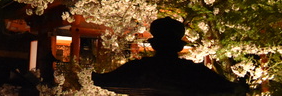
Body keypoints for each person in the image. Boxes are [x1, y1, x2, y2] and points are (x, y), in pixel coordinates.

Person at [92, 17, 245, 96]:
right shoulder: (193, 73)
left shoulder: (137, 69)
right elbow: (226, 88)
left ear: (153, 43)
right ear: (180, 45)